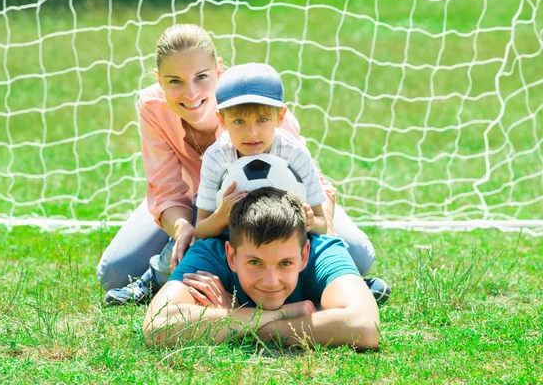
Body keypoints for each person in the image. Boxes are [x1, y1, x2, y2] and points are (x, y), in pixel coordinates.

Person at [98, 23, 376, 302]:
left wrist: (320, 225)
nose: (191, 93)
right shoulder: (154, 108)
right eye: (175, 81)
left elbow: (318, 185)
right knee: (114, 273)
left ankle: (338, 282)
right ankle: (154, 280)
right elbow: (167, 191)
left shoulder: (263, 110)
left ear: (219, 70)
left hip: (281, 201)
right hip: (200, 203)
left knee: (358, 255)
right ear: (160, 81)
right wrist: (184, 228)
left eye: (202, 77)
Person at [143, 187, 380, 349]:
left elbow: (365, 327)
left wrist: (235, 323)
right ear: (231, 256)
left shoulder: (320, 251)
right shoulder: (209, 255)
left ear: (304, 254)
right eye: (255, 263)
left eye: (285, 264)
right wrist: (278, 314)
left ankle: (354, 283)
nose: (271, 281)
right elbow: (157, 327)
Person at [194, 62, 328, 241]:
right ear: (222, 120)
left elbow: (322, 224)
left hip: (287, 244)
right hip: (231, 242)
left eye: (262, 119)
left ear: (280, 117)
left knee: (338, 250)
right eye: (239, 122)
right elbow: (201, 230)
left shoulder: (295, 154)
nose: (251, 133)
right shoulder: (216, 157)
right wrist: (221, 216)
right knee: (197, 255)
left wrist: (310, 221)